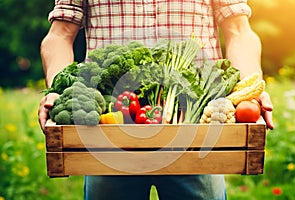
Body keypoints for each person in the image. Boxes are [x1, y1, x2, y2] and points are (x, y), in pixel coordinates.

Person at [38, 1, 274, 199]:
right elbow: (60, 34)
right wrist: (59, 89)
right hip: (107, 132)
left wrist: (250, 88)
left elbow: (239, 31)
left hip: (197, 133)